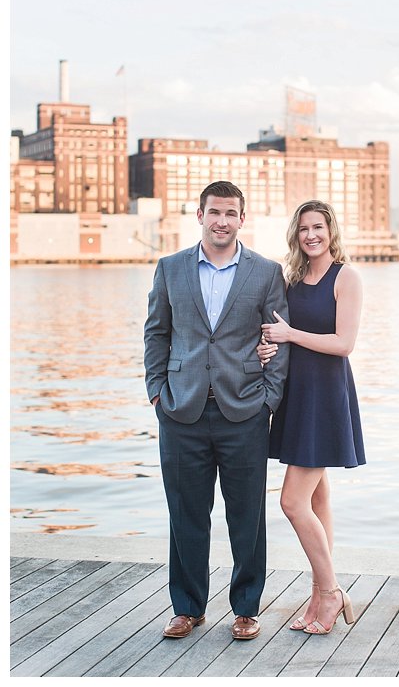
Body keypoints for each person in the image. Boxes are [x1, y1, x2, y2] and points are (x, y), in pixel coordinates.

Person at [144, 180, 290, 641]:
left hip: (245, 410)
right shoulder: (170, 268)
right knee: (186, 513)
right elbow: (156, 333)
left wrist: (269, 397)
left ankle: (246, 606)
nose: (222, 221)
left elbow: (279, 337)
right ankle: (187, 608)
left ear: (241, 219)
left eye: (230, 213)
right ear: (200, 216)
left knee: (246, 515)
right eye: (214, 212)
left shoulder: (266, 272)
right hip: (181, 411)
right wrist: (156, 393)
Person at [257, 199, 365, 635]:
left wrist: (289, 335)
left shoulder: (347, 277)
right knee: (318, 500)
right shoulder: (294, 279)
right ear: (296, 234)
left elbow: (344, 344)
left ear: (330, 229)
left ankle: (331, 591)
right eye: (303, 229)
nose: (310, 235)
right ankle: (321, 591)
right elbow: (283, 336)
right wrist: (271, 347)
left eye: (317, 227)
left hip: (324, 396)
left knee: (291, 502)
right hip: (295, 393)